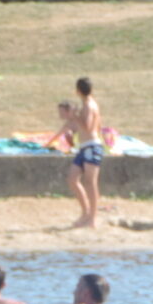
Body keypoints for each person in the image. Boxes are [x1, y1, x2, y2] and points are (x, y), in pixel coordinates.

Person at [48, 78, 103, 229]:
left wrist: (75, 116)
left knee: (90, 183)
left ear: (78, 90)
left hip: (92, 147)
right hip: (84, 147)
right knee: (72, 179)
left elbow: (89, 127)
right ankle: (85, 213)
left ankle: (92, 218)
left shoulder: (89, 105)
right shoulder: (86, 104)